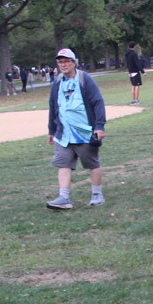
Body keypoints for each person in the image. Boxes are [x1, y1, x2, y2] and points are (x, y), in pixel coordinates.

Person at [45, 48, 107, 210]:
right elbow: (53, 106)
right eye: (60, 62)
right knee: (63, 163)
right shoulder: (58, 82)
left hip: (84, 132)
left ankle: (97, 195)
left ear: (74, 63)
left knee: (92, 163)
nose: (63, 65)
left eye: (66, 61)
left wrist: (99, 126)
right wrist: (52, 130)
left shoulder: (84, 79)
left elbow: (98, 102)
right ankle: (64, 198)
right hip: (63, 133)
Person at [125, 41, 145, 105]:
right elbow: (137, 63)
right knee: (137, 86)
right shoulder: (134, 54)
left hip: (130, 72)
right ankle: (136, 100)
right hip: (135, 72)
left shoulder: (126, 54)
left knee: (133, 85)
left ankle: (133, 100)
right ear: (134, 46)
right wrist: (143, 72)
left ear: (129, 46)